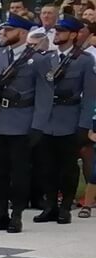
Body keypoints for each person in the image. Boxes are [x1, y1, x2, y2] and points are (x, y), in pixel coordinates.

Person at [0, 18, 54, 233]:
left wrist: (38, 126)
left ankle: (16, 214)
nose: (3, 33)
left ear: (24, 33)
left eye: (9, 30)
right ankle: (0, 213)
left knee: (19, 173)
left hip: (22, 121)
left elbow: (45, 96)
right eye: (3, 29)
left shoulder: (37, 59)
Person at [35, 17, 92, 224]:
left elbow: (90, 95)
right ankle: (50, 205)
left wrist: (84, 124)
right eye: (56, 30)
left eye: (62, 30)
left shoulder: (84, 60)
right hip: (46, 119)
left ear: (74, 34)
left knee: (67, 167)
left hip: (69, 118)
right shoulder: (45, 58)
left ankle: (65, 206)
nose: (57, 33)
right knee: (47, 166)